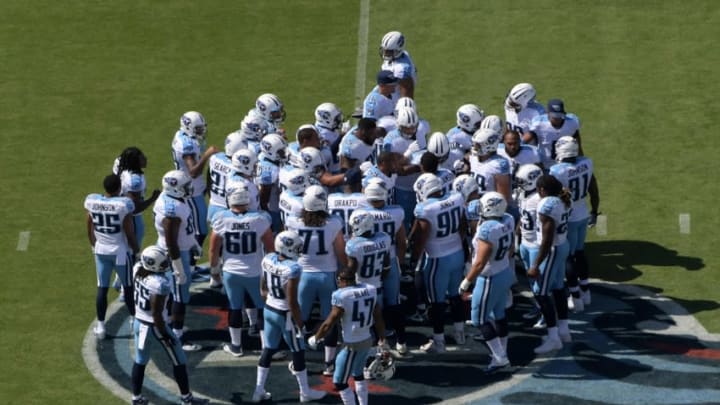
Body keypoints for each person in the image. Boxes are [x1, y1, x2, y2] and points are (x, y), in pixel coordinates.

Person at [252, 231, 326, 403]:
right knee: (298, 351)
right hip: (285, 314)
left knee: (268, 349)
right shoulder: (293, 268)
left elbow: (262, 288)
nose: (299, 249)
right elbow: (292, 301)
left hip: (269, 308)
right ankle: (305, 392)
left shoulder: (268, 258)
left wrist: (271, 300)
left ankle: (258, 390)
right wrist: (300, 324)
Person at [130, 246, 209, 405]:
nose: (166, 263)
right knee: (179, 360)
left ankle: (136, 398)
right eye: (163, 262)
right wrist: (166, 335)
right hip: (155, 326)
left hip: (139, 322)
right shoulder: (159, 284)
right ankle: (187, 399)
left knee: (140, 360)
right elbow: (157, 313)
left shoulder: (138, 269)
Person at [285, 185, 347, 375]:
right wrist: (344, 271)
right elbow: (340, 252)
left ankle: (299, 361)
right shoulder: (334, 223)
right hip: (327, 275)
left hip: (302, 276)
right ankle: (329, 363)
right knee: (329, 319)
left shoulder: (293, 222)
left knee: (299, 320)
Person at [209, 189, 274, 357]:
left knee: (235, 308)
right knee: (261, 308)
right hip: (254, 272)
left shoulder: (221, 218)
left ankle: (236, 346)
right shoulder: (260, 219)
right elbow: (271, 248)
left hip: (231, 272)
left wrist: (214, 272)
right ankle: (266, 347)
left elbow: (213, 249)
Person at [307, 269, 387, 405]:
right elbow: (378, 317)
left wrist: (316, 337)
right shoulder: (370, 289)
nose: (338, 284)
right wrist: (382, 338)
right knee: (358, 375)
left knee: (339, 381)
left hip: (352, 345)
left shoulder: (342, 295)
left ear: (343, 281)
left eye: (339, 281)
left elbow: (329, 323)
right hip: (367, 339)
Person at [459, 192, 515, 372]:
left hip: (490, 277)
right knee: (499, 313)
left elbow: (480, 262)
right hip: (504, 271)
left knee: (479, 319)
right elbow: (511, 248)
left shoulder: (487, 230)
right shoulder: (508, 218)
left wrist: (466, 282)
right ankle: (502, 352)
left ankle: (500, 358)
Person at [411, 174, 468, 352]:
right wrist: (456, 242)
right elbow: (463, 225)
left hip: (437, 258)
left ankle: (439, 341)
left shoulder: (425, 209)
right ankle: (460, 333)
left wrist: (414, 258)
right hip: (457, 252)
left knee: (437, 302)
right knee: (455, 295)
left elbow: (422, 236)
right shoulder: (456, 198)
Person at [355, 181, 409, 354]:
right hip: (390, 259)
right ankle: (401, 341)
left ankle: (374, 341)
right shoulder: (396, 212)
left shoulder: (360, 213)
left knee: (369, 303)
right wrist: (399, 263)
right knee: (394, 303)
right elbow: (402, 242)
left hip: (367, 262)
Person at [85, 174, 139, 339]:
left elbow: (89, 224)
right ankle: (134, 321)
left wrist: (94, 244)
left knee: (102, 287)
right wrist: (136, 250)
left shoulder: (93, 202)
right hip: (120, 252)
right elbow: (129, 232)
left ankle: (101, 327)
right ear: (119, 188)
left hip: (101, 250)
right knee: (128, 287)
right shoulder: (123, 205)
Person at [153, 170, 202, 351]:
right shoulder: (172, 210)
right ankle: (177, 336)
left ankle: (171, 327)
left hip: (179, 250)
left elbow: (181, 233)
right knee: (180, 297)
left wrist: (193, 242)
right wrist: (178, 267)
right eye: (184, 186)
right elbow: (171, 241)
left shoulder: (173, 200)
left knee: (176, 294)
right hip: (174, 254)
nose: (188, 188)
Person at [549, 137, 600, 310]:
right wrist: (595, 210)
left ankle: (575, 296)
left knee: (568, 257)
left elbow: (552, 196)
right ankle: (586, 291)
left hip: (567, 216)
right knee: (580, 252)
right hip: (583, 212)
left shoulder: (556, 171)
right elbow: (593, 187)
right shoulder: (587, 162)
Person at [526, 175, 572, 354]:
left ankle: (554, 338)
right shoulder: (564, 198)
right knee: (559, 288)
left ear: (542, 190)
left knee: (541, 293)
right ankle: (564, 330)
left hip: (551, 250)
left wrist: (536, 264)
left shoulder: (547, 205)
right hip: (561, 245)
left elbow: (547, 239)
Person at [171, 111, 219, 271]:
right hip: (191, 191)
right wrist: (207, 155)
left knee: (192, 228)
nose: (201, 131)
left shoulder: (182, 136)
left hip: (192, 188)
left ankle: (188, 263)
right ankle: (190, 265)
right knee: (201, 230)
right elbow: (193, 171)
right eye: (198, 129)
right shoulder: (187, 145)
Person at [515, 164, 546, 327]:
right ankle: (539, 306)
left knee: (540, 282)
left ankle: (547, 313)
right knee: (531, 280)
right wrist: (516, 233)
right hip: (525, 243)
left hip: (535, 245)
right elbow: (523, 215)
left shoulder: (539, 199)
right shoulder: (523, 194)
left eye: (522, 181)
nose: (519, 184)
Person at [114, 147, 161, 247]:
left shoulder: (120, 165)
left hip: (118, 214)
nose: (145, 158)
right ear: (135, 161)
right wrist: (153, 198)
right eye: (142, 157)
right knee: (132, 251)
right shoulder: (135, 181)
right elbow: (134, 209)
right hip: (132, 220)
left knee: (122, 249)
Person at [525, 99, 582, 169]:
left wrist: (580, 158)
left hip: (566, 165)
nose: (557, 119)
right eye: (554, 117)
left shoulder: (572, 122)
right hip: (546, 165)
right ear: (548, 113)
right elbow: (525, 140)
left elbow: (577, 141)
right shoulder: (539, 124)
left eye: (559, 116)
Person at [469, 124, 512, 204]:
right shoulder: (474, 158)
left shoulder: (498, 165)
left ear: (488, 146)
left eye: (478, 145)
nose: (474, 147)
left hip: (491, 207)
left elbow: (503, 198)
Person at [256, 133, 289, 233]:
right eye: (280, 151)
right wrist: (267, 216)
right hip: (273, 209)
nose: (284, 152)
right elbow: (264, 198)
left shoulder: (263, 157)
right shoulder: (271, 171)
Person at [339, 118, 378, 191]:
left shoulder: (361, 131)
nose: (375, 136)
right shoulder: (352, 149)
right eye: (372, 134)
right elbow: (347, 177)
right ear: (363, 133)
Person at [379, 30, 417, 98]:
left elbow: (406, 96)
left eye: (389, 51)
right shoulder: (402, 55)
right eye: (385, 50)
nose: (385, 54)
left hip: (392, 102)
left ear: (398, 50)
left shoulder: (401, 70)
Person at [314, 102, 345, 174]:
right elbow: (329, 153)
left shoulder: (327, 129)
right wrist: (342, 136)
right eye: (337, 118)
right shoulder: (322, 135)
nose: (339, 120)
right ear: (327, 120)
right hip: (331, 172)